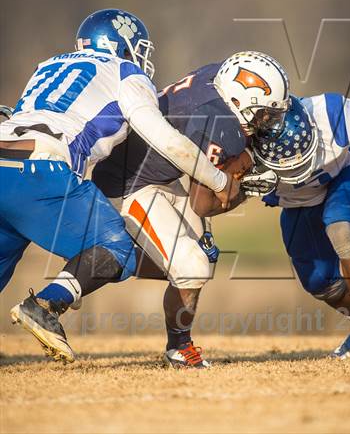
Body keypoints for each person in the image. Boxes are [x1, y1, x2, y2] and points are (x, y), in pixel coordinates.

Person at [0, 8, 240, 363]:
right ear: (122, 45)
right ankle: (46, 305)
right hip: (43, 167)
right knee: (116, 246)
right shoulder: (126, 72)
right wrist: (218, 179)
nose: (141, 57)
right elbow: (162, 137)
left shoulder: (48, 65)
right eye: (137, 49)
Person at [89, 51, 289, 367]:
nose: (267, 122)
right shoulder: (225, 126)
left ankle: (109, 266)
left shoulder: (216, 75)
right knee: (192, 265)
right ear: (238, 101)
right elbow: (204, 203)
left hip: (154, 172)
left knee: (198, 261)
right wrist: (247, 188)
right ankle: (178, 347)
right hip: (129, 183)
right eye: (263, 114)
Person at [250, 92, 350, 362]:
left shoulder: (327, 114)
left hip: (344, 175)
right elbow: (221, 193)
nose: (296, 163)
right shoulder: (245, 147)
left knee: (341, 229)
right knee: (317, 282)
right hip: (299, 200)